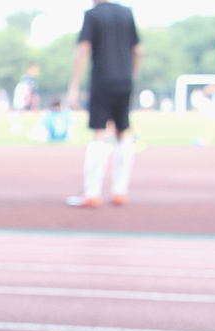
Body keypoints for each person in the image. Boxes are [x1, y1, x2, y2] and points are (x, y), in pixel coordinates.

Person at [66, 0, 141, 207]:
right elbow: (138, 50)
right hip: (125, 81)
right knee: (122, 131)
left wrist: (74, 85)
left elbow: (83, 49)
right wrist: (131, 77)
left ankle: (92, 193)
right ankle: (120, 191)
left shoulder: (92, 15)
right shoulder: (127, 13)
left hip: (102, 81)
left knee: (99, 132)